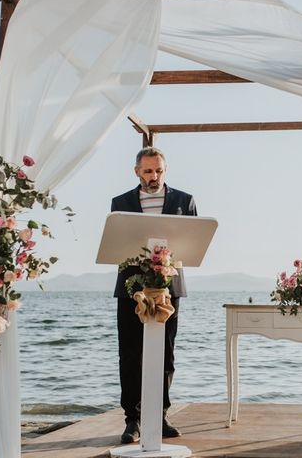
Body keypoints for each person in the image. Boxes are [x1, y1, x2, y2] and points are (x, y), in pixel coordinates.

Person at [111, 147, 197, 444]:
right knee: (130, 354)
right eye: (148, 171)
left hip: (168, 289)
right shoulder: (119, 203)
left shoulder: (184, 201)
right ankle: (132, 420)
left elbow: (192, 244)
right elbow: (116, 245)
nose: (154, 176)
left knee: (165, 353)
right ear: (136, 171)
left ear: (165, 169)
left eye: (159, 170)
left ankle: (159, 415)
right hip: (130, 289)